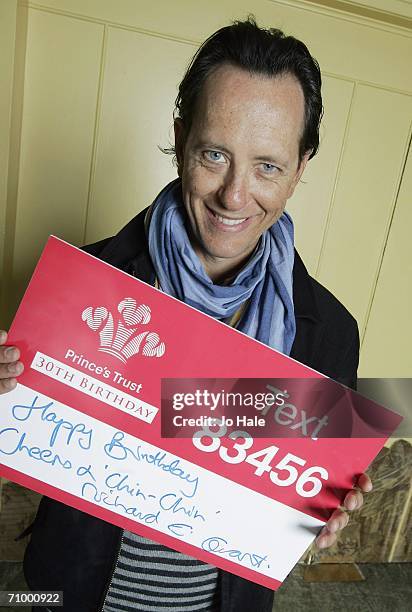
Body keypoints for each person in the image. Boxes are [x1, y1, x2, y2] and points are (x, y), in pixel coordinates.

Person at [0, 17, 372, 612]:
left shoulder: (330, 334)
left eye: (268, 166)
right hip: (69, 594)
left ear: (302, 166)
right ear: (180, 135)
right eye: (215, 154)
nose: (233, 194)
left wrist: (317, 510)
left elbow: (290, 514)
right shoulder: (83, 284)